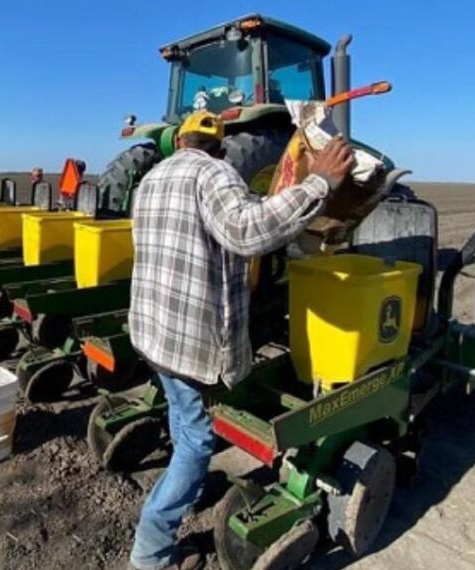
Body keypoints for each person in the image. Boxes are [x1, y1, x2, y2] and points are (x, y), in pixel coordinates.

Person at [125, 111, 355, 570]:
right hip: (191, 343)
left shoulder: (152, 176)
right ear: (221, 145)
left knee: (181, 414)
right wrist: (320, 185)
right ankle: (150, 554)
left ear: (180, 139)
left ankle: (174, 494)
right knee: (196, 442)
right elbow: (248, 233)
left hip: (152, 333)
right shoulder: (215, 173)